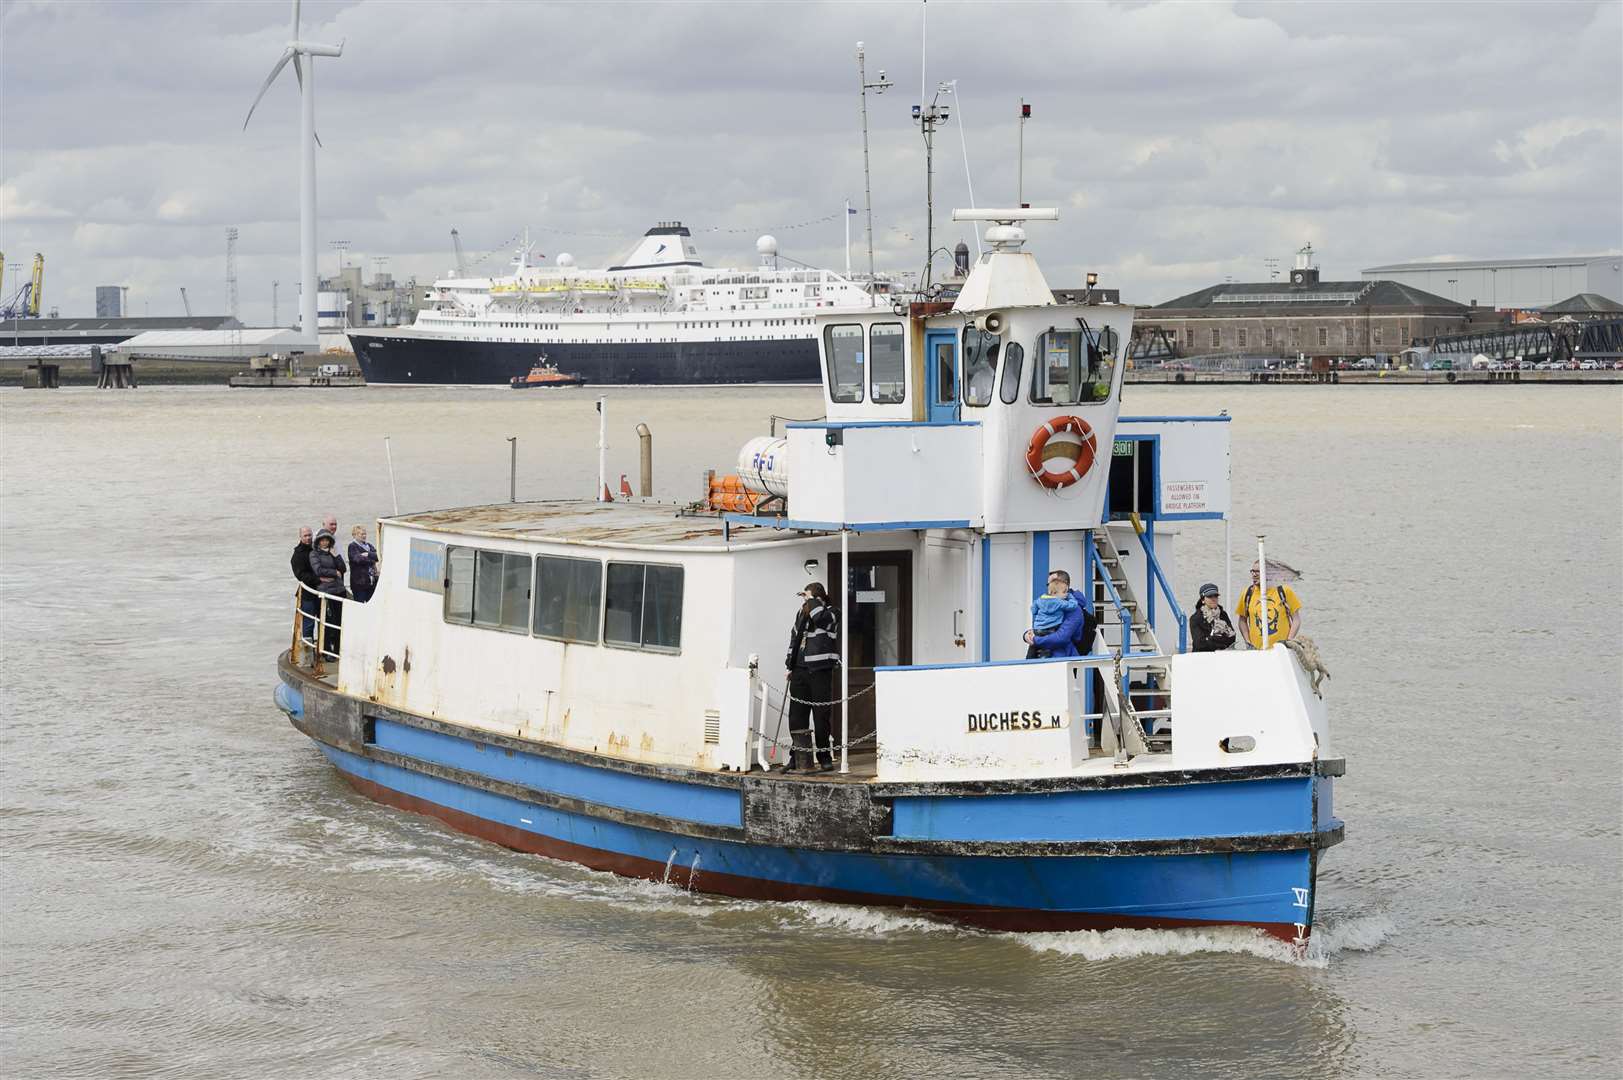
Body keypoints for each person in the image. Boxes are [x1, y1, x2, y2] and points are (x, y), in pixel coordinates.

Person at [783, 582, 839, 772]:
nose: (804, 601)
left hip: (820, 670)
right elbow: (794, 638)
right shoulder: (802, 613)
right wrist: (789, 664)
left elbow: (821, 618)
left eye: (807, 597)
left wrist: (813, 601)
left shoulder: (832, 612)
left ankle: (823, 756)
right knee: (797, 717)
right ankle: (797, 757)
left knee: (821, 716)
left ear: (818, 597)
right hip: (799, 670)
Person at [1023, 569, 1091, 659]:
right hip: (1042, 653)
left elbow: (1061, 637)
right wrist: (1026, 635)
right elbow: (1044, 625)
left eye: (1052, 583)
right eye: (1048, 584)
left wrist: (1035, 639)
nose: (1049, 588)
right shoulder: (1050, 602)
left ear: (1065, 585)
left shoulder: (1075, 610)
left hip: (1061, 658)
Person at [308, 529, 348, 656]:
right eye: (322, 540)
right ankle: (327, 651)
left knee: (339, 621)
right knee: (328, 621)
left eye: (327, 540)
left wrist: (336, 556)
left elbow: (343, 568)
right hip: (326, 591)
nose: (325, 542)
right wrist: (334, 573)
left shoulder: (333, 552)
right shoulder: (314, 554)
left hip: (339, 590)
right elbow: (318, 570)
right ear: (318, 542)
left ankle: (337, 649)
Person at [1238, 570, 1302, 650]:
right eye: (1252, 571)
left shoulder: (1284, 591)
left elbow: (1296, 619)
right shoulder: (1248, 593)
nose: (1254, 575)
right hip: (1257, 651)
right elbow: (1242, 620)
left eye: (1257, 571)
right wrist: (1248, 643)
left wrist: (1288, 641)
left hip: (1281, 651)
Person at [291, 526, 320, 647]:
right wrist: (319, 579)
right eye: (305, 536)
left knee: (324, 622)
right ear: (300, 537)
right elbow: (301, 575)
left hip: (322, 592)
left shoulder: (316, 549)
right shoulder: (297, 555)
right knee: (308, 624)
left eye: (310, 535)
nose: (308, 538)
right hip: (308, 594)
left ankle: (324, 649)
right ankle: (308, 652)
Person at [1190, 582, 1237, 652]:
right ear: (1203, 600)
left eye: (1215, 596)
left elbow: (1232, 638)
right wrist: (1220, 640)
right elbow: (1199, 644)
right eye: (1209, 596)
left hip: (1221, 656)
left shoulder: (1223, 615)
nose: (1213, 599)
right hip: (1202, 658)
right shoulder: (1196, 618)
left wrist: (1211, 639)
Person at [347, 525, 379, 603]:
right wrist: (372, 560)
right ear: (354, 535)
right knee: (360, 605)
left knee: (371, 604)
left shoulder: (369, 545)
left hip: (371, 582)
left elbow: (378, 556)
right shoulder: (352, 546)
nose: (364, 536)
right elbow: (358, 559)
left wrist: (368, 554)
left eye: (365, 534)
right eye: (361, 534)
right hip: (359, 583)